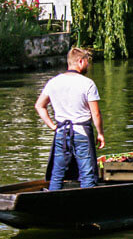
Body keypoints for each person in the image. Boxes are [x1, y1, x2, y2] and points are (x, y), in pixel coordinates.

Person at [34, 48, 105, 190]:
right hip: (82, 132)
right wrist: (100, 134)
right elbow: (95, 113)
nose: (88, 66)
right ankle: (87, 203)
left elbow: (39, 106)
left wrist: (53, 126)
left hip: (61, 131)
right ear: (80, 61)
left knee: (57, 173)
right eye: (87, 62)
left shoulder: (53, 82)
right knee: (87, 173)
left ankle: (53, 201)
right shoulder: (87, 83)